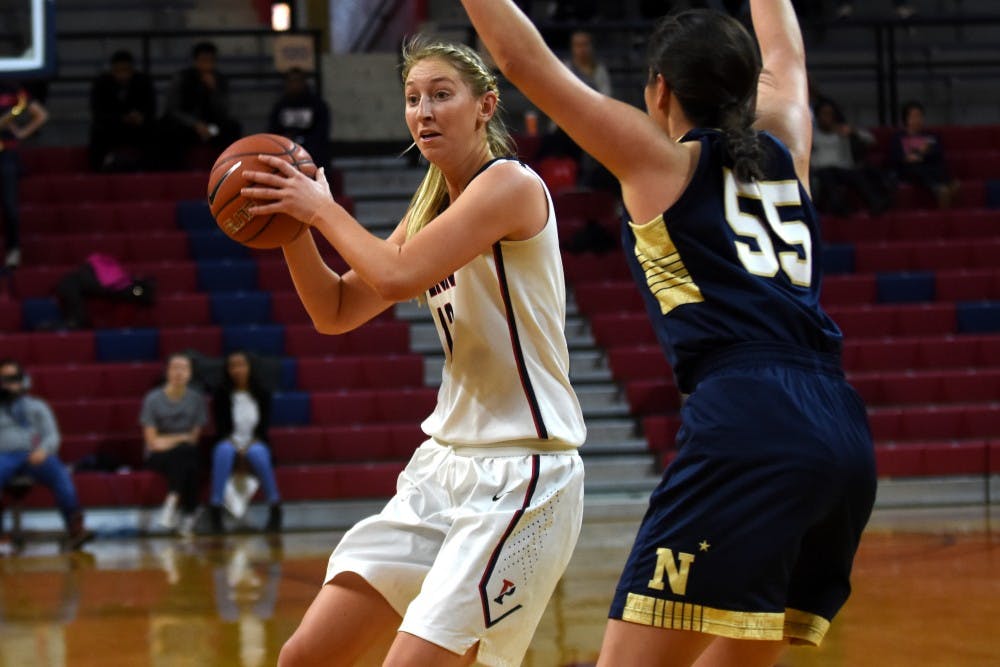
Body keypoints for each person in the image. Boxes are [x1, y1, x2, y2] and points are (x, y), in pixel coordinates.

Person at [460, 1, 877, 666]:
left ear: (658, 89)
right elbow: (789, 56)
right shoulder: (788, 141)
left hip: (751, 422)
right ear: (748, 87)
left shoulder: (661, 161)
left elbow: (522, 63)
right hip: (843, 429)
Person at [242, 36, 586, 667]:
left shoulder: (508, 183)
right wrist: (289, 228)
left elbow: (396, 277)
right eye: (412, 98)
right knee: (305, 657)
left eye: (440, 95)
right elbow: (338, 310)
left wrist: (322, 210)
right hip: (444, 468)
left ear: (485, 106)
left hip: (521, 471)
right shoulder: (430, 201)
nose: (423, 111)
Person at [0, 359, 93, 550]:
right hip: (3, 456)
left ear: (23, 380)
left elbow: (52, 435)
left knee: (59, 472)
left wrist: (43, 450)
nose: (9, 383)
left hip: (35, 454)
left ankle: (75, 526)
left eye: (14, 378)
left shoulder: (38, 406)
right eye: (4, 379)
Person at [207, 350, 282, 534]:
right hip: (229, 439)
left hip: (254, 440)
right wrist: (236, 446)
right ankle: (215, 508)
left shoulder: (262, 394)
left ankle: (275, 507)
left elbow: (262, 428)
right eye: (233, 366)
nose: (237, 370)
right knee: (223, 452)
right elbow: (222, 428)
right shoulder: (221, 395)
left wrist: (247, 446)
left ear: (250, 367)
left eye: (241, 365)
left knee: (258, 453)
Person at [139, 352, 207, 537]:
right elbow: (152, 442)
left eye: (184, 368)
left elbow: (194, 438)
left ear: (190, 373)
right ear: (167, 372)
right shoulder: (152, 399)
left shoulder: (196, 399)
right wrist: (179, 438)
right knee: (186, 454)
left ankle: (173, 503)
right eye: (175, 368)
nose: (179, 372)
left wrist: (172, 440)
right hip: (157, 455)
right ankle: (189, 512)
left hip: (183, 452)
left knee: (186, 454)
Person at [159, 41, 242, 170]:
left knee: (231, 128)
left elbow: (224, 111)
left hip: (212, 128)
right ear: (195, 61)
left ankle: (227, 169)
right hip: (188, 128)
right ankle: (175, 172)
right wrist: (195, 124)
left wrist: (214, 90)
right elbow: (173, 109)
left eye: (211, 60)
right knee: (168, 130)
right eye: (203, 60)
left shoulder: (220, 80)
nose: (207, 64)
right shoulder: (182, 78)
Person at [810, 99, 889, 216]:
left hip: (843, 168)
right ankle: (838, 205)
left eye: (831, 114)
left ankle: (875, 203)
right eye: (824, 114)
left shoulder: (842, 130)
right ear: (818, 116)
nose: (828, 117)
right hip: (821, 170)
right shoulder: (812, 133)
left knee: (857, 174)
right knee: (827, 176)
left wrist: (853, 132)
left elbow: (871, 140)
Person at [0, 80, 48, 269]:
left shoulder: (10, 88)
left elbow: (41, 115)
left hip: (6, 154)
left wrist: (21, 133)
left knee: (10, 206)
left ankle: (13, 250)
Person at [88, 49, 158, 172]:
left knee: (158, 132)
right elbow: (98, 111)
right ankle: (98, 170)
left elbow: (151, 108)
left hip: (137, 126)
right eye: (119, 70)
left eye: (126, 70)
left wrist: (140, 117)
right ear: (112, 70)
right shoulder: (101, 83)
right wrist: (120, 118)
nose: (123, 74)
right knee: (97, 133)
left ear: (132, 69)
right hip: (112, 127)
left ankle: (150, 170)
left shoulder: (143, 81)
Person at [54, 252, 156, 329]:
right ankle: (79, 319)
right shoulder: (78, 277)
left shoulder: (78, 277)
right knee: (131, 290)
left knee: (131, 290)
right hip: (105, 282)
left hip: (108, 282)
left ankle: (79, 319)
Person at [888, 100, 959, 209]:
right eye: (914, 116)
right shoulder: (898, 138)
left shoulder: (930, 136)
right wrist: (915, 155)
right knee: (915, 169)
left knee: (941, 171)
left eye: (920, 116)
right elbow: (896, 157)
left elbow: (936, 152)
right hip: (910, 170)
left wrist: (919, 155)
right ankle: (939, 187)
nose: (918, 120)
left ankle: (944, 186)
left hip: (929, 166)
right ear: (906, 119)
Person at [268, 67, 331, 174]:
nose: (294, 84)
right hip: (285, 155)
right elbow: (273, 131)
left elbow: (321, 133)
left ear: (304, 82)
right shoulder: (280, 106)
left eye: (297, 80)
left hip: (312, 156)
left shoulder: (317, 105)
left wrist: (300, 142)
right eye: (291, 81)